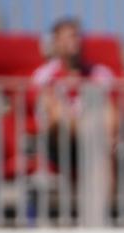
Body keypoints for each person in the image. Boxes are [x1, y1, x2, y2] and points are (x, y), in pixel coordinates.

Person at [31, 17, 117, 183]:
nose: (74, 41)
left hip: (94, 143)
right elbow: (53, 116)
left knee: (105, 143)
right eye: (68, 37)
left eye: (77, 36)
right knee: (58, 114)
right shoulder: (45, 75)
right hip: (59, 144)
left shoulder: (100, 74)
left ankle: (107, 207)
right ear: (56, 42)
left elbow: (111, 113)